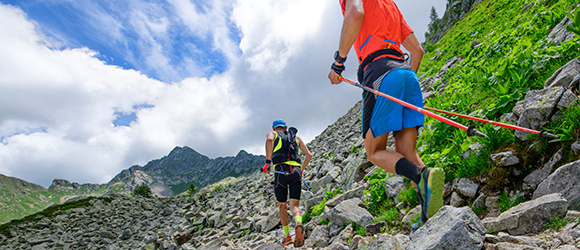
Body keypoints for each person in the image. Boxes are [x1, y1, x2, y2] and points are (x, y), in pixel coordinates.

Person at [327, 0, 444, 231]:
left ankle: (421, 174)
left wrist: (338, 63)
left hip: (380, 74)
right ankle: (435, 217)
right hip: (407, 74)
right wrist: (402, 83)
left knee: (374, 151)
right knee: (407, 151)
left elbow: (355, 13)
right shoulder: (389, 4)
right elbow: (417, 51)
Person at [261, 119, 312, 246]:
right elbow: (309, 155)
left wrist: (267, 162)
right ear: (285, 127)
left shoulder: (272, 134)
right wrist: (301, 170)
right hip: (295, 172)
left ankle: (288, 236)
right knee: (294, 205)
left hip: (281, 171)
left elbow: (269, 140)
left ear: (274, 128)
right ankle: (299, 222)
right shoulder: (297, 138)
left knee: (282, 206)